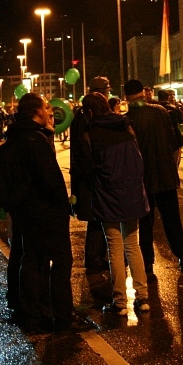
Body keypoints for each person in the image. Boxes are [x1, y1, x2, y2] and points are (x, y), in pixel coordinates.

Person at [7, 92, 90, 335]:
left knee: (31, 261)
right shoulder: (35, 140)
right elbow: (50, 180)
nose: (50, 110)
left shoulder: (18, 135)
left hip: (27, 210)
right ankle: (63, 316)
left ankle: (32, 316)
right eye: (45, 107)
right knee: (61, 262)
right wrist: (63, 205)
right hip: (45, 211)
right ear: (37, 111)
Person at [82, 93, 150, 316]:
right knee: (132, 244)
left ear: (90, 112)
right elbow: (139, 160)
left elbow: (89, 169)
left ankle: (120, 301)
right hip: (132, 192)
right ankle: (143, 297)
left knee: (114, 246)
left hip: (108, 195)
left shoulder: (91, 133)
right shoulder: (125, 126)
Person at [125, 79, 183, 274]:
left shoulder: (128, 119)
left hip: (143, 178)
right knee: (172, 219)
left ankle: (147, 261)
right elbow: (173, 140)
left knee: (145, 223)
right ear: (143, 93)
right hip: (165, 175)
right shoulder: (160, 112)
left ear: (127, 97)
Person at [69, 76, 115, 304]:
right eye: (106, 90)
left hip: (87, 175)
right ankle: (94, 259)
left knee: (97, 217)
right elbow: (84, 149)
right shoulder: (86, 117)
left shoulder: (82, 115)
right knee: (97, 217)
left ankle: (96, 257)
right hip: (90, 175)